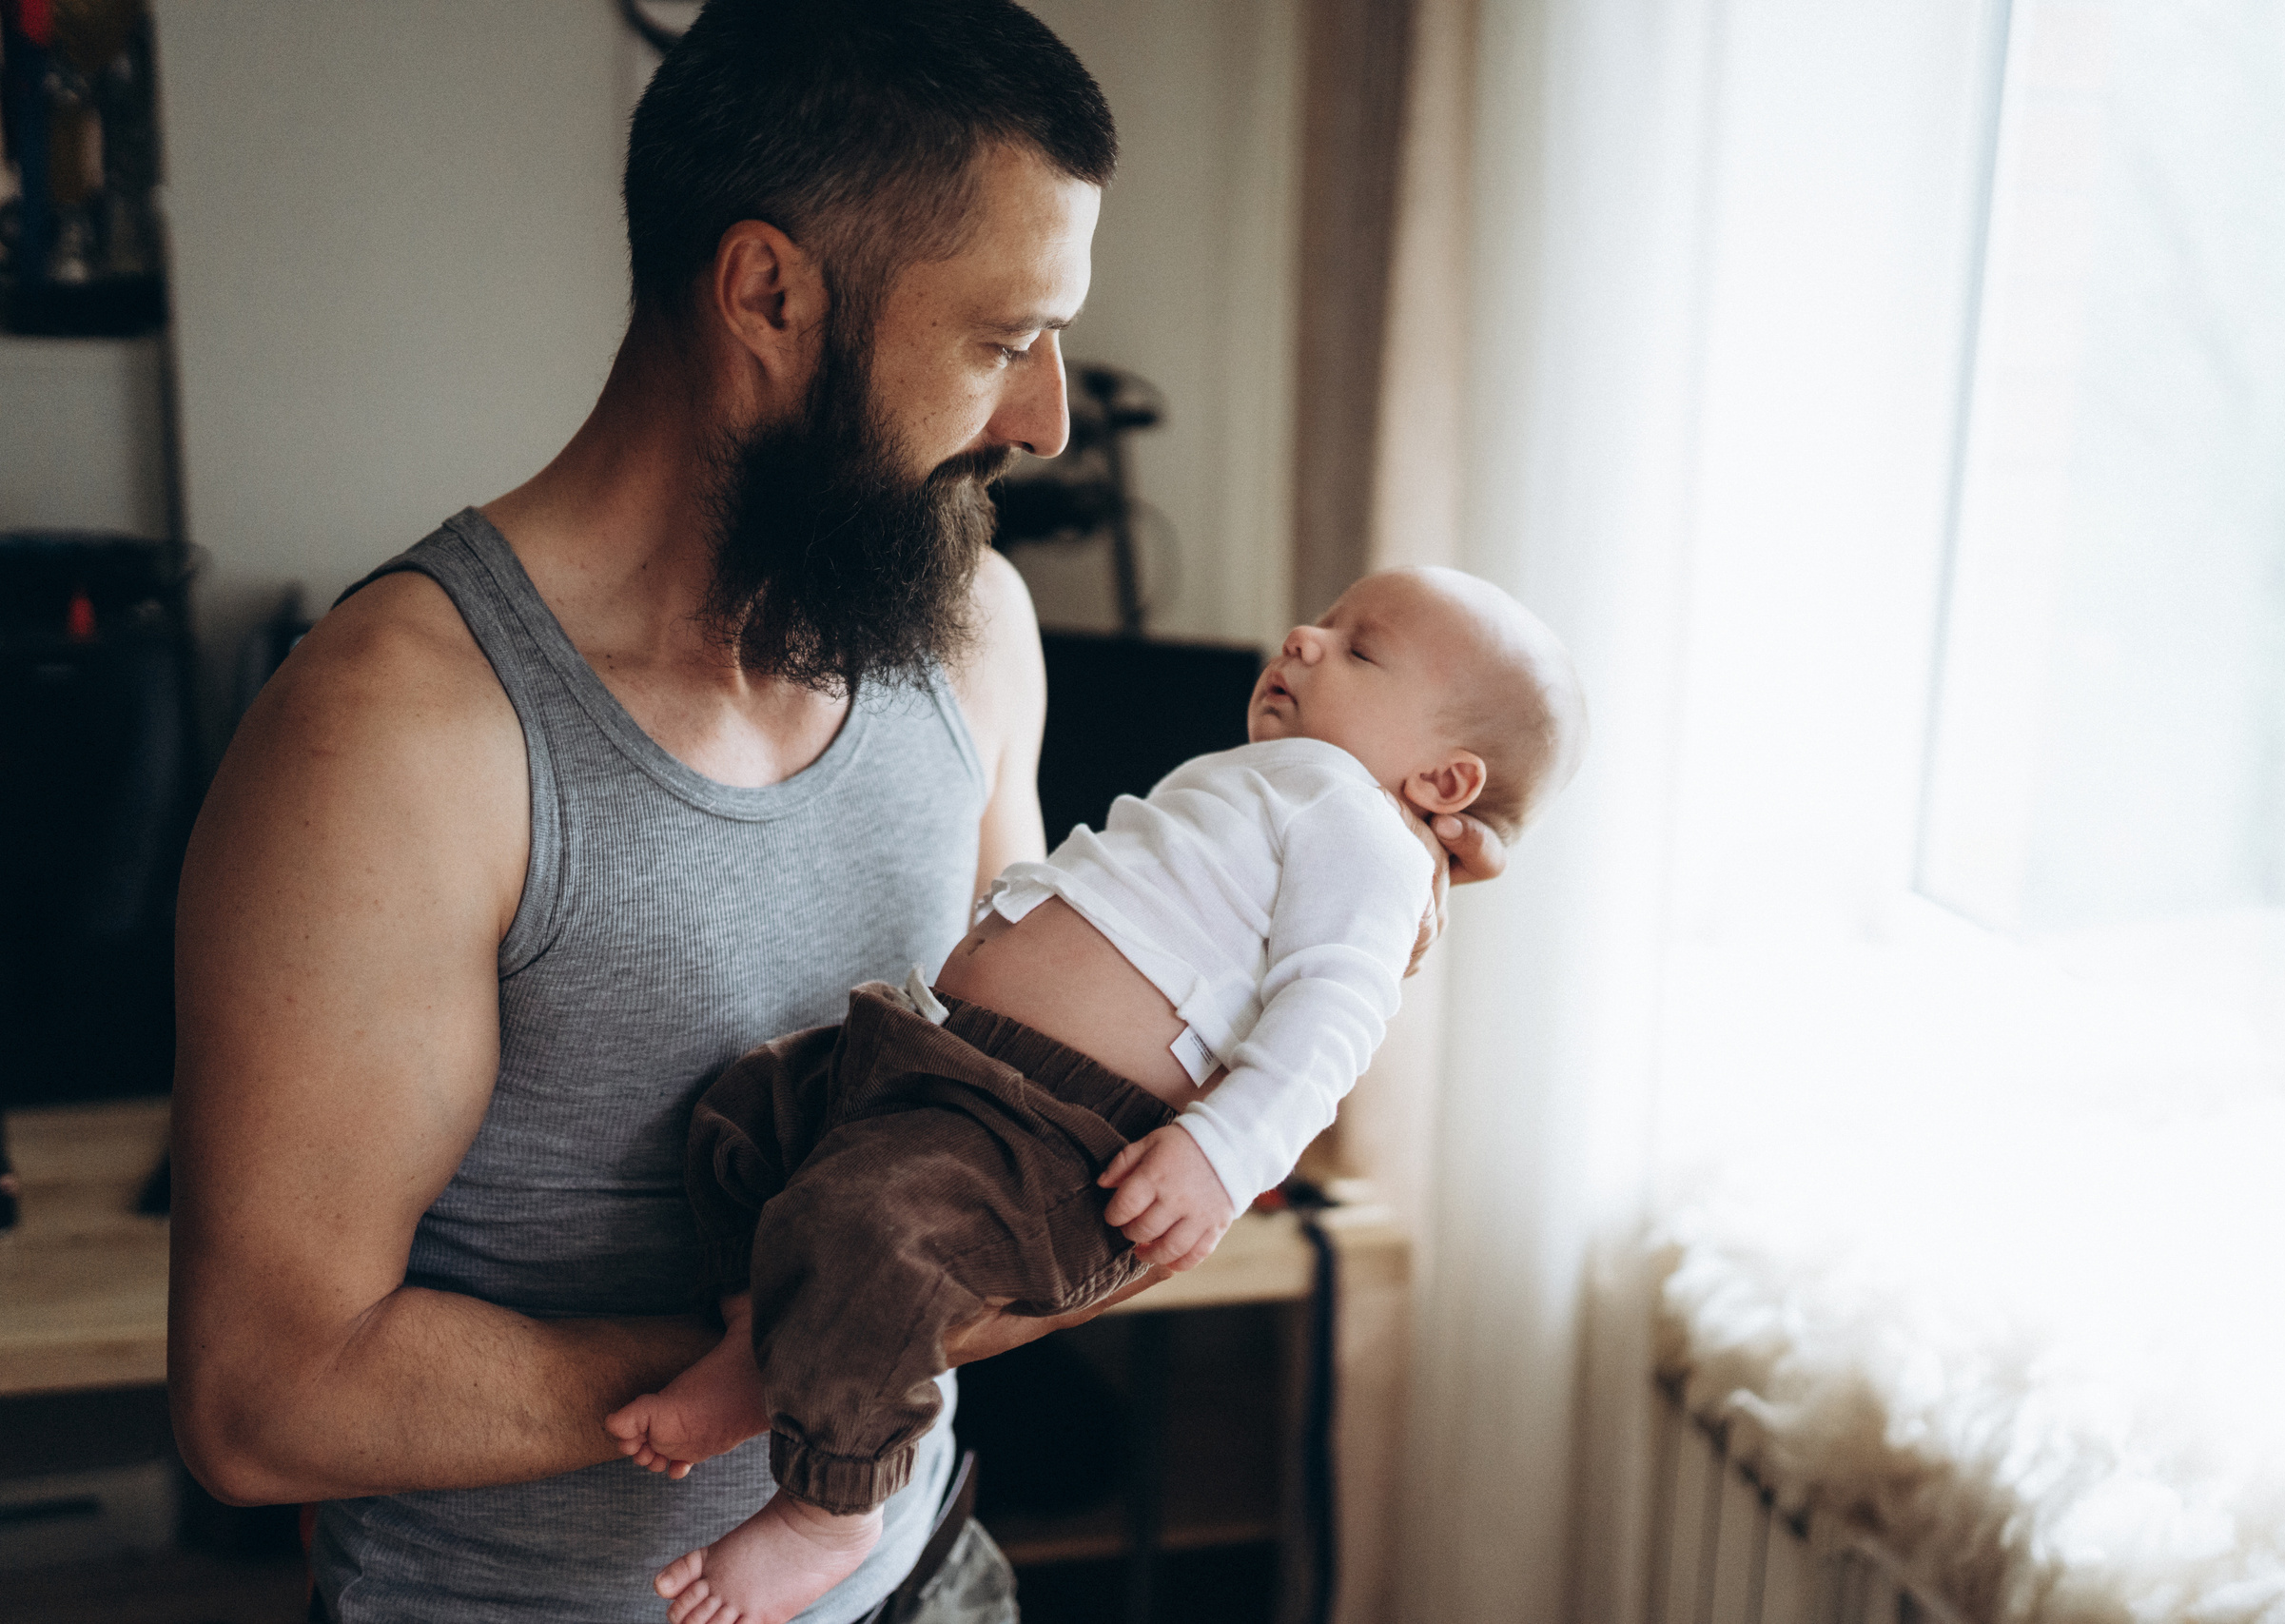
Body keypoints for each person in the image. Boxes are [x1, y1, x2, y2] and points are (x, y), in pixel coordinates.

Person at [166, 3, 1506, 1619]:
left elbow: (1034, 1144)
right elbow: (262, 1401)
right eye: (1008, 338)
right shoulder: (394, 739)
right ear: (772, 294)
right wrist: (799, 1345)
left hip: (924, 1573)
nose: (1049, 420)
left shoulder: (973, 633)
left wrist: (1360, 889)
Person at [606, 567, 1585, 1624]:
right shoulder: (1271, 785)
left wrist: (1223, 1150)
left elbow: (1333, 1015)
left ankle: (832, 1506)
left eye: (1359, 650)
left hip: (1052, 1134)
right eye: (1323, 620)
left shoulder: (1365, 833)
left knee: (873, 1233)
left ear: (1443, 785)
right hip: (942, 1059)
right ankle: (758, 1340)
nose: (1303, 636)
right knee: (750, 1115)